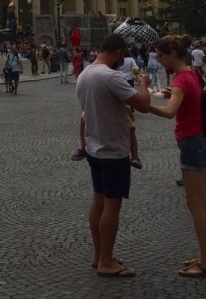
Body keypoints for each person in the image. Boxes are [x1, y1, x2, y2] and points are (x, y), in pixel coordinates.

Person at [76, 33, 150, 278]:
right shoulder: (111, 76)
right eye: (124, 55)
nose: (123, 60)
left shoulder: (84, 74)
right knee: (112, 205)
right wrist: (143, 83)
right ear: (118, 52)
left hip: (94, 147)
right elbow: (143, 104)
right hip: (113, 150)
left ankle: (99, 255)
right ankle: (107, 261)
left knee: (98, 201)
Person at [148, 34, 206, 278]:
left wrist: (145, 105)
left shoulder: (181, 78)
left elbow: (170, 113)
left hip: (191, 140)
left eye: (161, 56)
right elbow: (188, 98)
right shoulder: (193, 73)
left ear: (172, 54)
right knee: (198, 202)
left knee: (196, 204)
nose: (159, 61)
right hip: (200, 139)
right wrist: (172, 94)